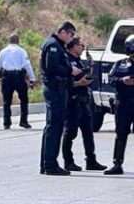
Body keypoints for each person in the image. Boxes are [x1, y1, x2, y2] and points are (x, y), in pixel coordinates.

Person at [40, 22, 80, 176]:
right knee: (55, 127)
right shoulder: (54, 46)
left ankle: (46, 164)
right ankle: (50, 164)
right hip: (55, 89)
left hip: (57, 89)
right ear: (63, 32)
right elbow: (52, 67)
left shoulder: (57, 45)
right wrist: (70, 70)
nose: (71, 38)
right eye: (70, 34)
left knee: (52, 126)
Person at [63, 38, 106, 171]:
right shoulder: (67, 61)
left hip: (84, 101)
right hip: (72, 101)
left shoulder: (80, 61)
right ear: (75, 46)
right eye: (81, 45)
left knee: (88, 132)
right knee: (70, 133)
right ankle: (68, 161)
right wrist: (78, 83)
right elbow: (64, 83)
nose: (83, 47)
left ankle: (91, 161)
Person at [106, 35, 134, 175]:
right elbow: (110, 79)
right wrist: (123, 80)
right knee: (121, 134)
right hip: (123, 104)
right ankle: (117, 164)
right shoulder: (120, 64)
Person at [0, 34, 36, 129]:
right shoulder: (21, 51)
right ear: (18, 41)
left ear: (9, 41)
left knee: (6, 100)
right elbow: (27, 65)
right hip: (18, 77)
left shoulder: (3, 51)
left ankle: (6, 122)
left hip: (6, 77)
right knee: (24, 99)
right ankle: (23, 121)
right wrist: (32, 78)